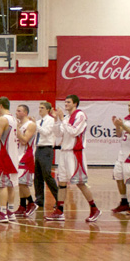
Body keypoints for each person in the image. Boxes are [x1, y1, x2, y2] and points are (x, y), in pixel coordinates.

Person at [46, 94, 100, 222]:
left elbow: (74, 132)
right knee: (62, 183)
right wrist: (56, 120)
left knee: (80, 183)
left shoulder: (80, 115)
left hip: (75, 153)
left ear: (75, 104)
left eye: (68, 102)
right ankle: (59, 211)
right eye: (65, 102)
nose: (66, 104)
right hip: (64, 153)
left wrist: (62, 119)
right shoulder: (67, 117)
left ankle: (94, 208)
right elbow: (58, 133)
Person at [13, 105, 38, 218]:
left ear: (25, 112)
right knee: (19, 182)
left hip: (26, 155)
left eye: (19, 111)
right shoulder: (21, 124)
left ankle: (31, 203)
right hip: (18, 154)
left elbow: (24, 140)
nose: (16, 112)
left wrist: (16, 129)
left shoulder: (30, 125)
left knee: (22, 181)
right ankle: (22, 205)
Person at [33, 102, 58, 209]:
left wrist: (36, 125)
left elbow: (46, 132)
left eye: (42, 108)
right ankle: (39, 200)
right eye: (39, 107)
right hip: (39, 148)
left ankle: (58, 198)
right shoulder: (38, 122)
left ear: (48, 110)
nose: (40, 109)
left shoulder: (51, 120)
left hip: (47, 148)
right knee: (37, 176)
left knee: (47, 175)